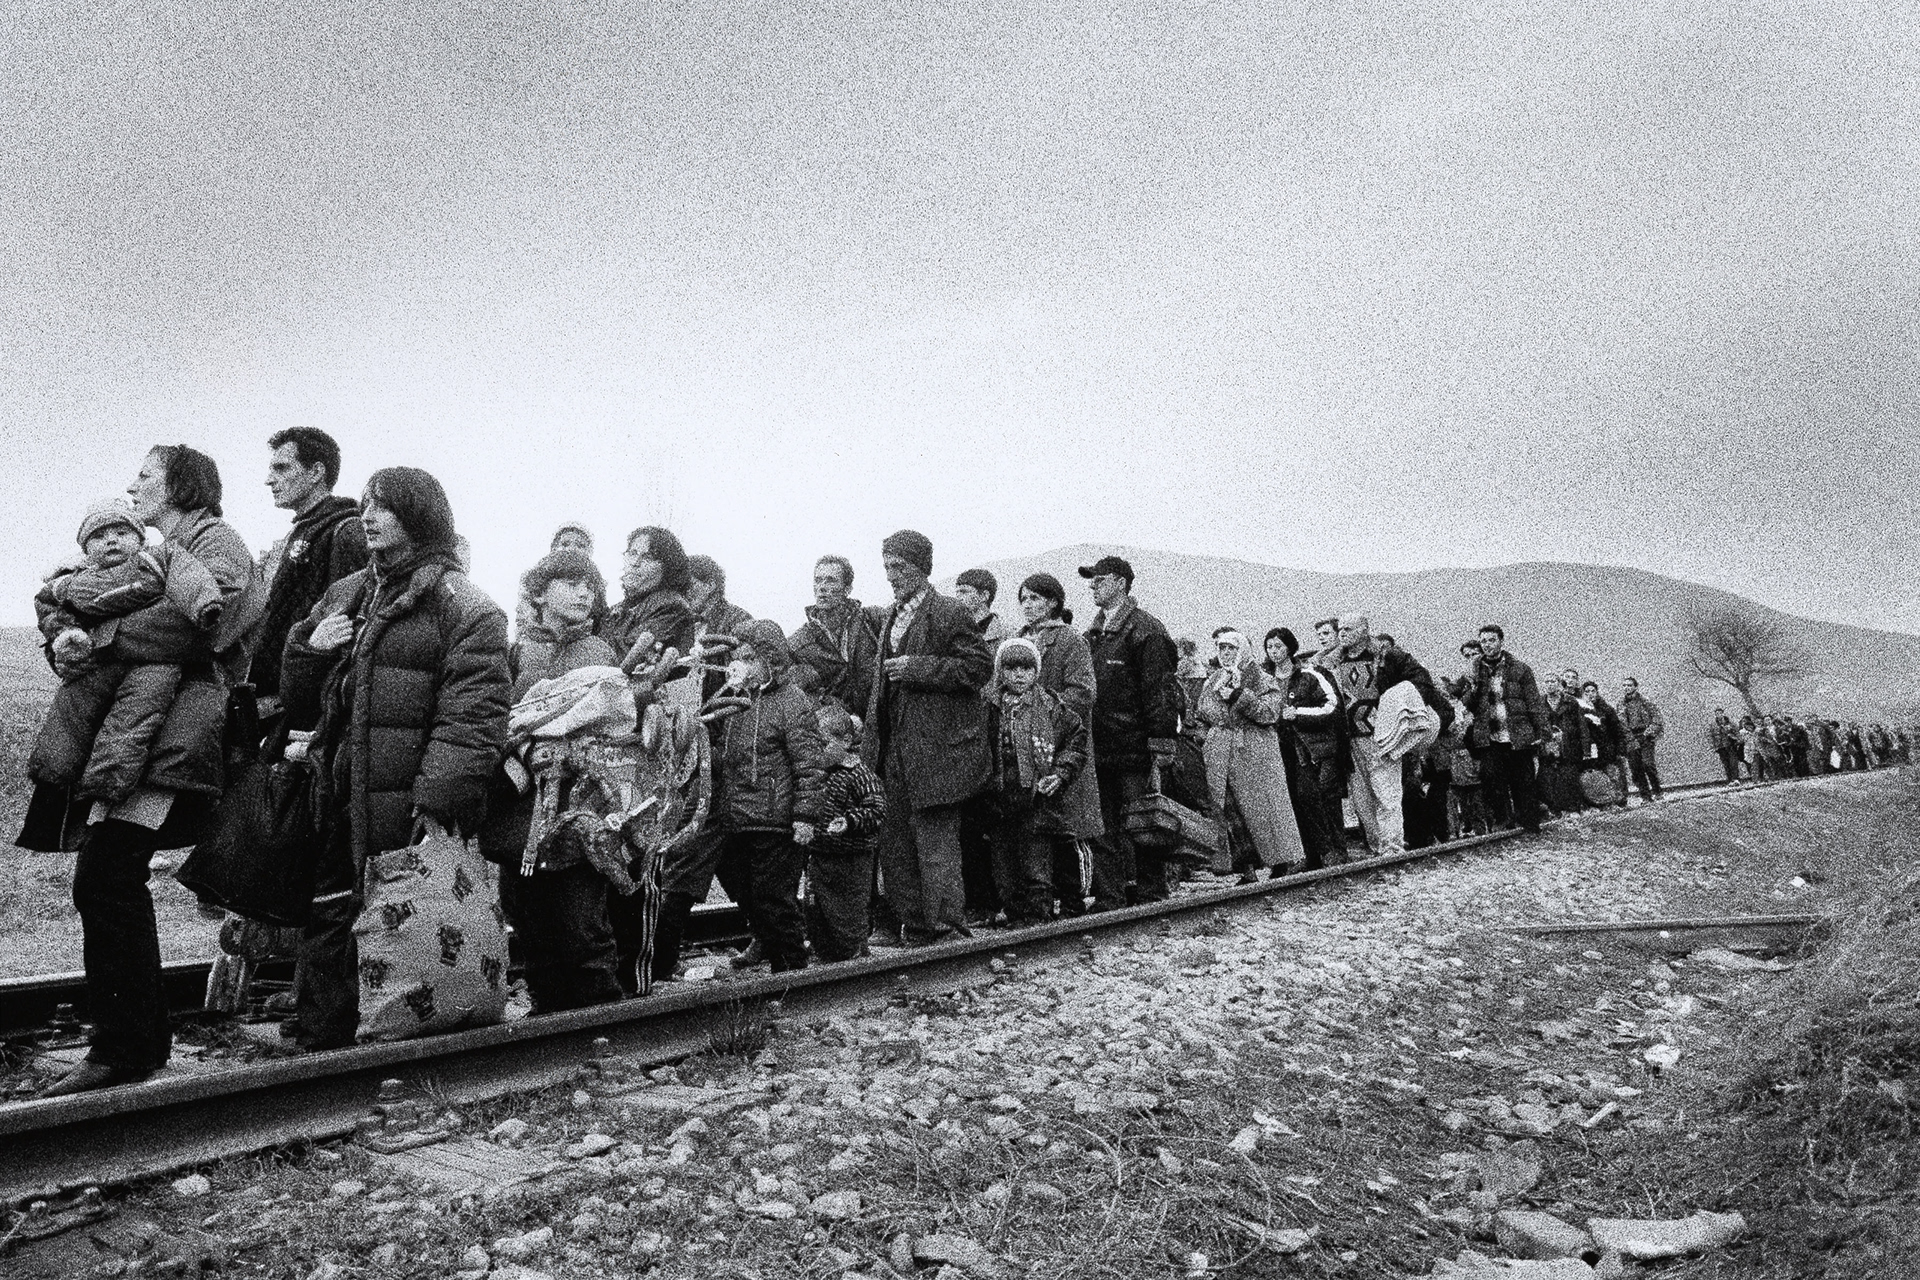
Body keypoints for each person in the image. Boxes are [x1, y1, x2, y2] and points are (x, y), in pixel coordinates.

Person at [21, 447, 259, 1096]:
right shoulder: (159, 547)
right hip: (145, 740)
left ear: (181, 485)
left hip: (175, 741)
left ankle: (128, 1048)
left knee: (105, 876)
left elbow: (194, 630)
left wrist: (96, 636)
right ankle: (134, 1042)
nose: (132, 487)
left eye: (146, 477)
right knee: (106, 877)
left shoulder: (219, 545)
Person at [279, 467, 510, 1052]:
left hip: (405, 799)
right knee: (330, 909)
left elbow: (472, 717)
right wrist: (308, 650)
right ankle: (322, 1043)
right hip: (334, 791)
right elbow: (297, 693)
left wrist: (435, 802)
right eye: (366, 504)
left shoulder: (466, 607)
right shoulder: (347, 593)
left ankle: (387, 1044)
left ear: (421, 517)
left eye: (385, 506)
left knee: (393, 914)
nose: (370, 516)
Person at [479, 550, 627, 1013]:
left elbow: (620, 733)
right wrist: (525, 751)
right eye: (571, 583)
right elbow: (494, 719)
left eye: (590, 586)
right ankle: (550, 1022)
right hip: (521, 818)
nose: (584, 593)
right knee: (531, 923)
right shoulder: (517, 652)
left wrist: (572, 754)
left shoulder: (602, 654)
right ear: (539, 593)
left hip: (578, 813)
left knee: (583, 925)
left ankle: (601, 1019)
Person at [28, 502, 224, 810]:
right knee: (72, 709)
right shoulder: (70, 579)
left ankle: (107, 782)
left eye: (122, 532)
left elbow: (191, 577)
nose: (112, 540)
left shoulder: (159, 558)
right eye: (99, 536)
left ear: (141, 539)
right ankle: (54, 775)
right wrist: (65, 634)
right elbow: (47, 606)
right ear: (85, 548)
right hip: (100, 662)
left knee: (135, 717)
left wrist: (204, 604)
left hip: (155, 662)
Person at [863, 531, 992, 945]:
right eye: (887, 567)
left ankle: (949, 930)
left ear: (921, 568)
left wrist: (920, 668)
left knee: (935, 844)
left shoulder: (949, 612)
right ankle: (917, 926)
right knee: (897, 843)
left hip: (934, 752)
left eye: (898, 567)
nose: (891, 576)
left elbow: (978, 669)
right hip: (894, 750)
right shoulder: (891, 616)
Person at [705, 620, 825, 974]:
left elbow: (810, 763)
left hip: (777, 820)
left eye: (749, 657)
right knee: (748, 891)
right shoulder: (737, 699)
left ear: (770, 659)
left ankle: (791, 970)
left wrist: (805, 816)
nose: (740, 664)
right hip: (740, 817)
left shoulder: (792, 701)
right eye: (738, 657)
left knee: (774, 898)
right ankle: (776, 958)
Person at [1080, 555, 1180, 906]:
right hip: (1101, 743)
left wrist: (1162, 743)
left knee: (1144, 822)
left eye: (1099, 579)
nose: (1092, 585)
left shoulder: (1146, 629)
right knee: (1103, 824)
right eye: (1091, 580)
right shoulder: (1093, 633)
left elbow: (1160, 690)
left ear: (1120, 582)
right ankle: (1111, 896)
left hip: (1134, 744)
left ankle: (1151, 892)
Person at [255, 428, 368, 718]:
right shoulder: (304, 531)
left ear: (317, 471)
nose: (269, 479)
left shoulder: (346, 531)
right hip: (279, 697)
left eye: (281, 468)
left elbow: (345, 633)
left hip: (305, 707)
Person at [985, 638, 1090, 925]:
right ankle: (1017, 920)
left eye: (1027, 668)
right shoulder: (989, 707)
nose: (1020, 675)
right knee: (1004, 871)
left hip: (1037, 801)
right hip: (1000, 800)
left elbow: (1076, 741)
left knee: (1036, 868)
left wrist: (1061, 772)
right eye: (1012, 668)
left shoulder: (1052, 707)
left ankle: (1038, 923)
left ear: (1036, 672)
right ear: (1001, 672)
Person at [1015, 573, 1103, 912]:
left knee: (1069, 826)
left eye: (1035, 599)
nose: (1027, 605)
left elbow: (1083, 693)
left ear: (1053, 602)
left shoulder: (1069, 640)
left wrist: (1042, 708)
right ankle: (1038, 902)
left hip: (1065, 743)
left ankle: (1073, 899)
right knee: (1034, 827)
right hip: (1026, 748)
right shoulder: (1019, 639)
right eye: (1023, 599)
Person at [1330, 614, 1450, 854]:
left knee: (1387, 794)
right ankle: (1378, 848)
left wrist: (1400, 709)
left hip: (1381, 737)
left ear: (1364, 630)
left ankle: (1392, 848)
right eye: (1340, 629)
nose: (1342, 633)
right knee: (1361, 800)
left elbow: (1421, 679)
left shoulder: (1388, 656)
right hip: (1349, 739)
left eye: (1349, 629)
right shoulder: (1332, 661)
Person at [1197, 630, 1304, 877]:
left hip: (1255, 751)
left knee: (1266, 807)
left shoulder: (1261, 678)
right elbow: (1201, 714)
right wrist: (1206, 737)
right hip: (1220, 752)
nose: (1225, 653)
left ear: (1242, 650)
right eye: (1221, 648)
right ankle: (1246, 870)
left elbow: (1269, 713)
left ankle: (1281, 863)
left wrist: (1239, 696)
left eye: (1231, 649)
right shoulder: (1212, 680)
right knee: (1230, 811)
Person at [805, 703, 886, 962]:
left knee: (850, 908)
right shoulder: (816, 775)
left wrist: (850, 821)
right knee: (818, 907)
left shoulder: (859, 775)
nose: (819, 752)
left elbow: (876, 809)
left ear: (846, 741)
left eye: (824, 745)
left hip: (853, 856)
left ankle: (854, 951)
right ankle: (827, 952)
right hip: (820, 853)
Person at [953, 567, 1007, 924]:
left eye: (965, 591)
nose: (959, 596)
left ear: (984, 596)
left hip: (991, 732)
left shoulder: (1001, 638)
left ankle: (990, 901)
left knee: (987, 823)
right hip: (965, 734)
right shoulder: (960, 633)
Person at [1264, 627, 1345, 867]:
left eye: (1278, 646)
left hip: (1305, 748)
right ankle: (1302, 855)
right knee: (1286, 801)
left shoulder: (1309, 674)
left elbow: (1331, 705)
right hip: (1275, 748)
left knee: (1310, 796)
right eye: (1269, 647)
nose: (1273, 652)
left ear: (1289, 647)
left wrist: (1298, 713)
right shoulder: (1263, 677)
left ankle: (1328, 850)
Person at [1460, 625, 1548, 832]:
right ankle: (1504, 822)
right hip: (1490, 736)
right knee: (1491, 777)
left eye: (1491, 640)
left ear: (1501, 641)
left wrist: (1542, 732)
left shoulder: (1520, 669)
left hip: (1517, 733)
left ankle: (1528, 823)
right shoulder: (1473, 671)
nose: (1487, 645)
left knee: (1523, 780)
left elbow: (1533, 702)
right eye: (1483, 641)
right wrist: (1472, 684)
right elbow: (1467, 703)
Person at [789, 554, 882, 713]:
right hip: (835, 730)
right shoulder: (798, 644)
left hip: (881, 722)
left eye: (831, 580)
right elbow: (796, 694)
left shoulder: (872, 621)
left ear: (847, 589)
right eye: (818, 580)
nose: (822, 587)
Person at [1619, 677, 1665, 802]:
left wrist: (1649, 731)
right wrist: (1627, 738)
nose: (1626, 688)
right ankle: (1645, 796)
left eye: (1629, 685)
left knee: (1648, 764)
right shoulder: (1621, 704)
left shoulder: (1645, 701)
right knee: (1636, 768)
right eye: (1624, 685)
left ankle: (1657, 790)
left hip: (1645, 736)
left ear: (1635, 687)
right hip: (1630, 738)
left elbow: (1657, 718)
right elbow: (1620, 723)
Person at [687, 555, 754, 638]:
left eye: (689, 585)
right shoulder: (685, 623)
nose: (685, 592)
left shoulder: (738, 619)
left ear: (711, 586)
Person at [954, 569, 1010, 647]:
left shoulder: (1006, 636)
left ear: (984, 596)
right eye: (957, 593)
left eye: (964, 592)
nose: (958, 598)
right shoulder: (953, 634)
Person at [1708, 708, 1740, 783]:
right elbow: (1710, 736)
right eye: (1717, 713)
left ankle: (1735, 778)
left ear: (1723, 713)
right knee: (1726, 763)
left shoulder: (1730, 722)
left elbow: (1737, 732)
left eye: (1720, 713)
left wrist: (1735, 739)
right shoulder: (1713, 725)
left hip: (1731, 745)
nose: (1718, 715)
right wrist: (1713, 746)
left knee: (1733, 762)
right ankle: (1730, 779)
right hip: (1720, 746)